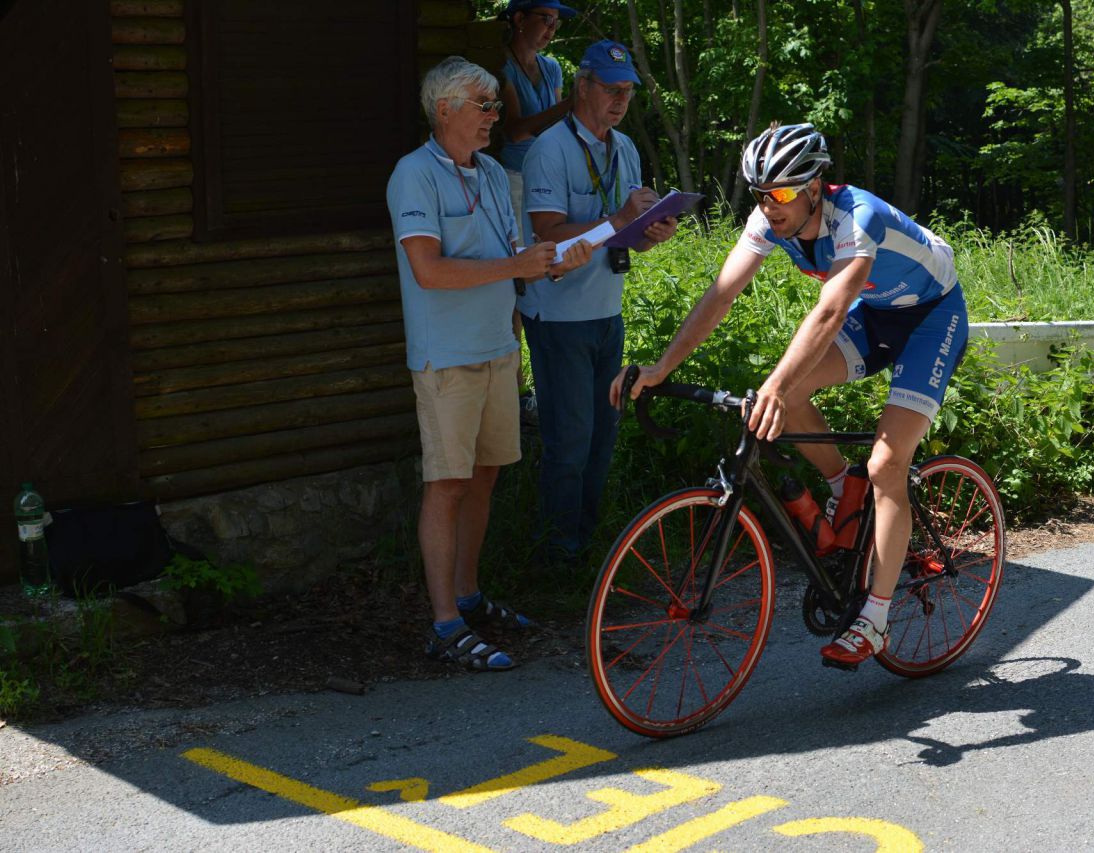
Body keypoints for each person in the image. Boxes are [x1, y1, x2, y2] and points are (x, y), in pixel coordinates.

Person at [612, 123, 967, 669]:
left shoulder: (857, 218)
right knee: (787, 393)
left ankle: (874, 618)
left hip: (930, 318)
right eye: (758, 194)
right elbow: (721, 294)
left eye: (778, 194)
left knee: (886, 463)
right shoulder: (768, 220)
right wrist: (662, 366)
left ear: (812, 187)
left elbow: (828, 312)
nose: (767, 206)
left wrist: (777, 385)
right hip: (876, 315)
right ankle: (837, 490)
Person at [386, 56, 590, 671]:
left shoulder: (498, 175)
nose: (495, 118)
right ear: (444, 109)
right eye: (484, 106)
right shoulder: (412, 175)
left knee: (485, 476)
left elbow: (512, 254)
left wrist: (554, 258)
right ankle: (445, 625)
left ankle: (469, 597)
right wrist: (517, 267)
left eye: (496, 107)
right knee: (446, 484)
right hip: (445, 357)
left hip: (499, 350)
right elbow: (429, 270)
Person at [520, 40, 679, 565]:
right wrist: (617, 220)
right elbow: (548, 236)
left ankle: (588, 550)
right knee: (569, 441)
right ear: (581, 87)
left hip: (606, 313)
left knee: (602, 438)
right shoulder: (550, 149)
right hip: (560, 317)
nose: (620, 100)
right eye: (611, 89)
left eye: (628, 91)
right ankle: (557, 555)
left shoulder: (626, 148)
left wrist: (653, 232)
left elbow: (624, 234)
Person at [497, 0, 577, 246]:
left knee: (552, 251)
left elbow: (560, 123)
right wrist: (571, 103)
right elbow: (515, 131)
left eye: (557, 22)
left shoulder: (552, 68)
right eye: (546, 19)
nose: (552, 29)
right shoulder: (501, 66)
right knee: (522, 254)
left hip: (548, 175)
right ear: (520, 19)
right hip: (514, 177)